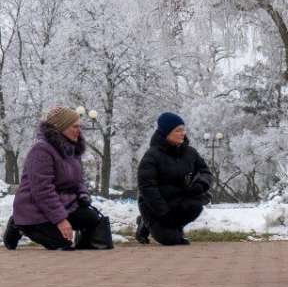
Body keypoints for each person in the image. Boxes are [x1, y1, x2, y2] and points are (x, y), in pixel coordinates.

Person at [4, 107, 112, 251]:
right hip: (34, 209)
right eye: (75, 126)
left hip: (63, 204)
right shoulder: (41, 150)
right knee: (63, 245)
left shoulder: (72, 149)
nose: (79, 130)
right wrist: (61, 220)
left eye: (80, 126)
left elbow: (78, 180)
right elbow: (43, 191)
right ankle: (19, 224)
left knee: (92, 219)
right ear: (60, 127)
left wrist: (82, 194)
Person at [135, 112, 214, 246]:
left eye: (183, 129)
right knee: (171, 240)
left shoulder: (190, 152)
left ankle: (174, 227)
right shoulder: (151, 156)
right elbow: (147, 188)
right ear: (166, 133)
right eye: (178, 130)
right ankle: (145, 222)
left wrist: (201, 184)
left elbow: (205, 172)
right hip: (154, 207)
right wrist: (163, 213)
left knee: (195, 206)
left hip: (179, 201)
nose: (183, 133)